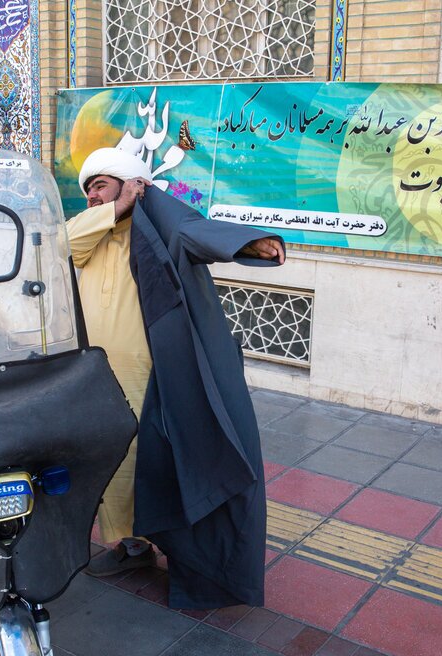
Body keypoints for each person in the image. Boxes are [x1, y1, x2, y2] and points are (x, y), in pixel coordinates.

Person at [67, 147, 283, 608]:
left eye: (100, 186)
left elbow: (195, 233)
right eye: (87, 191)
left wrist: (246, 244)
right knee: (115, 464)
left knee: (157, 463)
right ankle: (131, 544)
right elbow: (63, 244)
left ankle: (172, 548)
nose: (92, 197)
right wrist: (112, 208)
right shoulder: (90, 234)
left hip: (151, 378)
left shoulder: (158, 230)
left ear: (130, 184)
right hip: (98, 378)